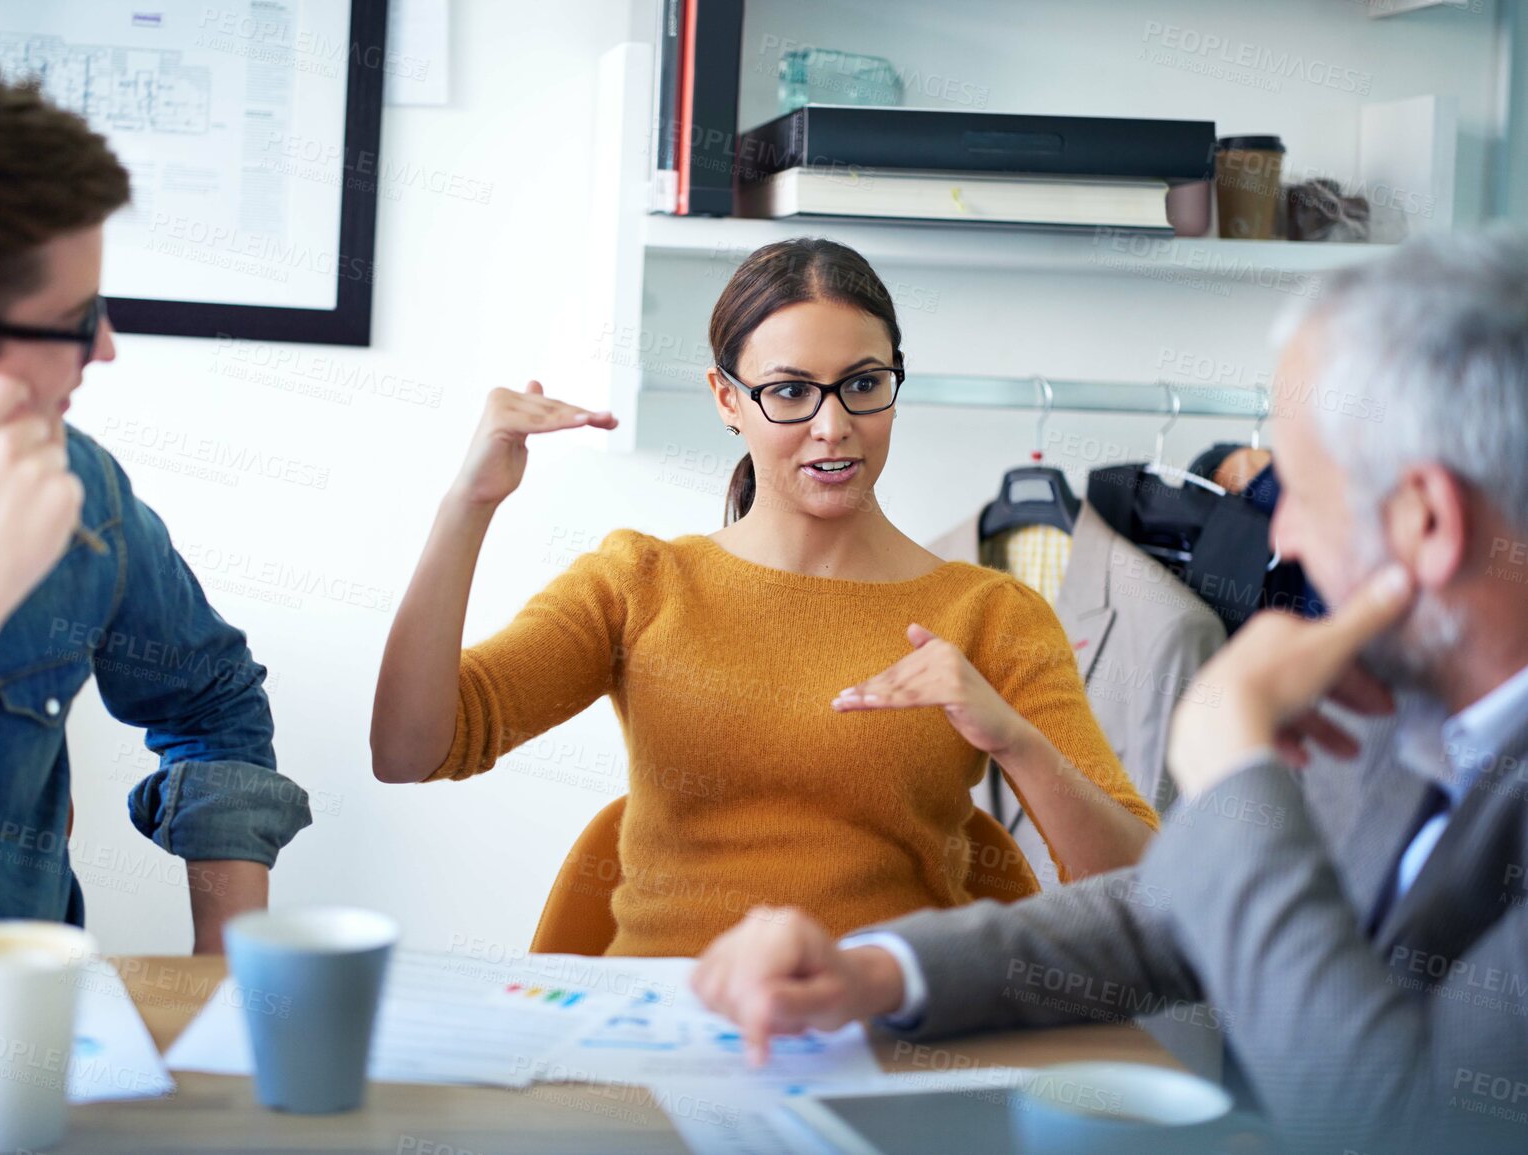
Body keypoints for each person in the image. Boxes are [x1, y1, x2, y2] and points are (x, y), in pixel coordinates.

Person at [691, 230, 1528, 1153]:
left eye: (1297, 487)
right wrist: (874, 975)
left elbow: (1406, 1130)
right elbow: (1166, 910)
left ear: (1426, 521)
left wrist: (1232, 760)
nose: (1277, 532)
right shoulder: (1392, 720)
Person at [370, 238, 1156, 957]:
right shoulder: (638, 583)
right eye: (788, 391)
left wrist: (1013, 739)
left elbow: (1138, 885)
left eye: (862, 384)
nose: (833, 425)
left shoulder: (990, 612)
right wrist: (466, 504)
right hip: (660, 1030)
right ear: (725, 397)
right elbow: (408, 751)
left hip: (882, 1031)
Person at [0, 65, 311, 976]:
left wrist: (221, 973)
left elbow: (213, 698)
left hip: (30, 1044)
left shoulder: (80, 489)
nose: (106, 349)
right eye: (75, 321)